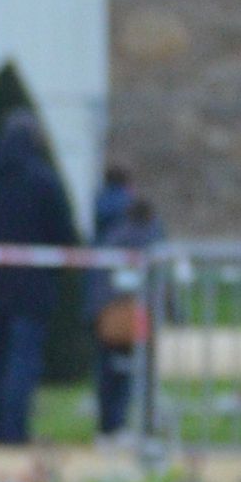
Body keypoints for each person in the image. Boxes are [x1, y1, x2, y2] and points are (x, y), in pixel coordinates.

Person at [0, 109, 78, 446]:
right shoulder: (43, 179)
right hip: (31, 285)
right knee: (21, 360)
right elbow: (62, 231)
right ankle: (14, 431)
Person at [91, 185, 164, 441]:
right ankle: (130, 426)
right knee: (137, 374)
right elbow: (160, 283)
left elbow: (99, 280)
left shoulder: (112, 237)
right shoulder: (152, 243)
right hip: (137, 315)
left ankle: (107, 426)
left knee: (109, 373)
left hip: (109, 314)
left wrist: (95, 311)